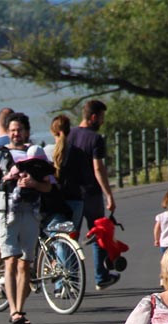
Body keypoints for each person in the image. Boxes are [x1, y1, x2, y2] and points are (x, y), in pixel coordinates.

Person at [0, 112, 51, 324]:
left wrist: (33, 185)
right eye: (12, 130)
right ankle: (14, 311)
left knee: (25, 264)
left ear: (26, 131)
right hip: (5, 214)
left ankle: (19, 308)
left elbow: (48, 186)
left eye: (19, 130)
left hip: (30, 213)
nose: (15, 134)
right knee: (10, 261)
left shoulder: (35, 155)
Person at [58, 100, 120, 290]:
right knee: (99, 234)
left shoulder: (68, 135)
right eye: (101, 117)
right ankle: (101, 277)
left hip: (69, 194)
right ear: (94, 117)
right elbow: (98, 168)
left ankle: (68, 281)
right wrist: (108, 194)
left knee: (69, 237)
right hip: (91, 193)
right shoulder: (95, 138)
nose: (102, 121)